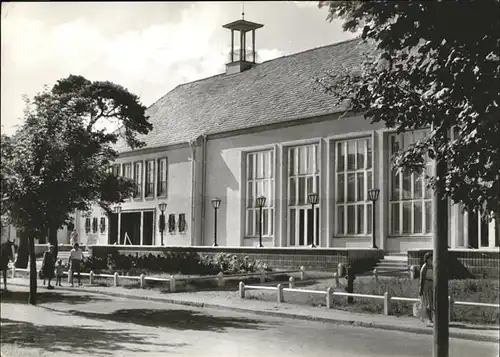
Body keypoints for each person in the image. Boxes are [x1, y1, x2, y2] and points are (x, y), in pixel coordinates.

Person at [419, 252, 434, 325]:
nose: (432, 260)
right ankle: (429, 319)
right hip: (426, 285)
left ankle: (431, 318)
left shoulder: (433, 266)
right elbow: (422, 279)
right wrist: (421, 290)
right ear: (427, 259)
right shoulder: (424, 267)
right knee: (428, 303)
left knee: (432, 302)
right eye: (431, 258)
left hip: (432, 284)